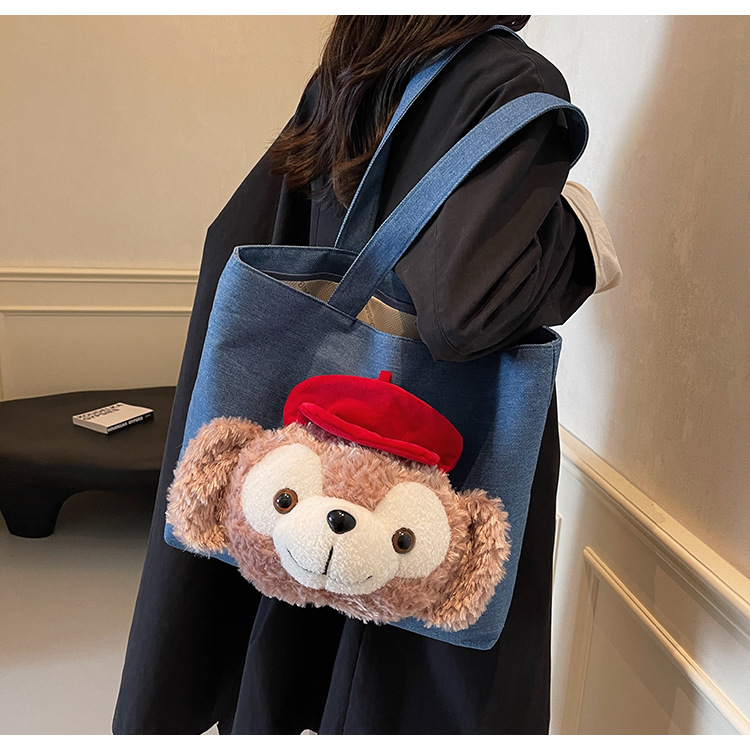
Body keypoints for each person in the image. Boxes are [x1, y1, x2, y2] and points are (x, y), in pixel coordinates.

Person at [113, 16, 596, 734]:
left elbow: (243, 231)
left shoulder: (361, 60)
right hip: (431, 479)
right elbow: (465, 311)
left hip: (315, 455)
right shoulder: (511, 81)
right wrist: (579, 235)